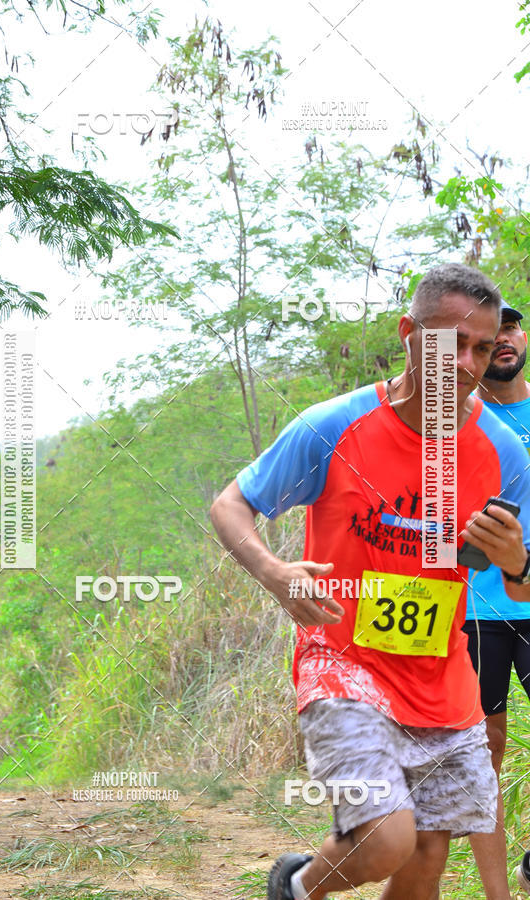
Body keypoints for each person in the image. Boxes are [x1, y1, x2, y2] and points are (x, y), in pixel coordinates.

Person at [210, 263, 530, 900]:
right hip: (343, 662)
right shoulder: (334, 426)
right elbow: (230, 505)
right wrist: (275, 573)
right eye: (450, 342)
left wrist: (518, 564)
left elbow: (521, 591)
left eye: (480, 348)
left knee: (427, 856)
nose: (465, 363)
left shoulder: (502, 453)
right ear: (409, 333)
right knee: (388, 839)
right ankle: (298, 884)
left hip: (441, 673)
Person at [460, 303, 530, 898]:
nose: (503, 340)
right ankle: (497, 892)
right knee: (489, 750)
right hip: (476, 613)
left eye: (511, 327)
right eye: (490, 335)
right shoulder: (458, 421)